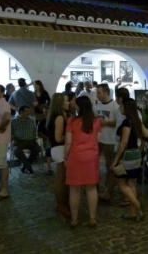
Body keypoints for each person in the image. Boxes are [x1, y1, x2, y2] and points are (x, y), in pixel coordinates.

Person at [65, 96, 101, 228]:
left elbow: (68, 142)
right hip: (91, 157)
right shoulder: (96, 121)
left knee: (75, 190)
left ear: (79, 107)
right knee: (91, 189)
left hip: (75, 157)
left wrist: (65, 157)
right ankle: (92, 217)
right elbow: (97, 139)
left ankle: (74, 219)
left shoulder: (71, 121)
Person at [110, 98, 148, 221]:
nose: (120, 108)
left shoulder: (127, 123)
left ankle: (137, 205)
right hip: (136, 155)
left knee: (121, 182)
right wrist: (140, 148)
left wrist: (115, 160)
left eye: (122, 106)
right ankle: (132, 212)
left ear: (126, 109)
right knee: (131, 183)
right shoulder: (137, 121)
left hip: (126, 156)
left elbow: (123, 143)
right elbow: (147, 136)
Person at [47, 93, 70, 219]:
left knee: (63, 178)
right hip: (59, 149)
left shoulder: (58, 115)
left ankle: (63, 203)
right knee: (61, 178)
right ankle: (61, 204)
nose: (68, 103)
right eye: (66, 101)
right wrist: (71, 135)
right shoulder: (60, 117)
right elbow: (58, 137)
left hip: (58, 149)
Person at [95, 83, 117, 202]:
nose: (97, 95)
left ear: (105, 92)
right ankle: (95, 186)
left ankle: (108, 189)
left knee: (110, 165)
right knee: (95, 163)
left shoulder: (114, 106)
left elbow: (117, 123)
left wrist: (106, 123)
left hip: (109, 139)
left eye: (99, 93)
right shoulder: (97, 105)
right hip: (98, 139)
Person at [11, 105, 41, 174]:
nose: (28, 113)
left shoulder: (31, 120)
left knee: (36, 150)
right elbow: (11, 132)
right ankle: (28, 166)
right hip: (19, 141)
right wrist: (13, 139)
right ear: (21, 112)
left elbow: (34, 131)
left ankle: (25, 166)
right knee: (17, 151)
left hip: (31, 141)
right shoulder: (14, 121)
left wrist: (35, 137)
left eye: (29, 111)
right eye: (27, 111)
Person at [37, 106, 53, 175]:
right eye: (44, 112)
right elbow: (39, 133)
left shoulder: (54, 120)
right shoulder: (42, 122)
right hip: (47, 139)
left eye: (47, 111)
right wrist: (46, 137)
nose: (45, 113)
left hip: (55, 138)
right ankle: (49, 168)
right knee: (48, 147)